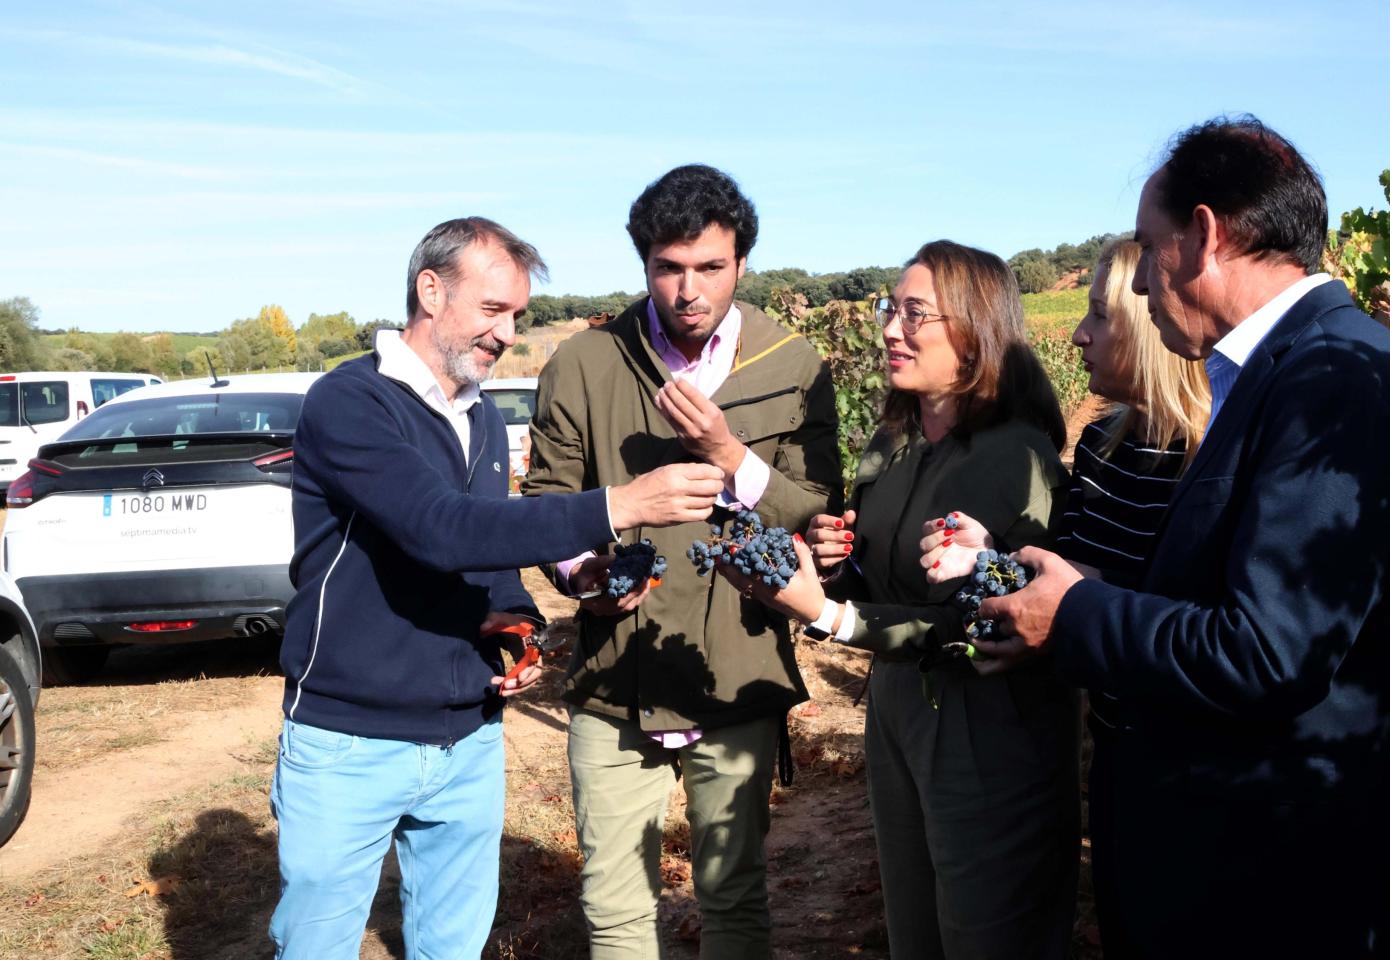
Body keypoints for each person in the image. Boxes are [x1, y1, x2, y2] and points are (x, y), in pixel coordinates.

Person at [972, 117, 1390, 956]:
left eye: (1148, 248)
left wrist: (1078, 614)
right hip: (1260, 875)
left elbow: (1268, 650)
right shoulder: (1292, 370)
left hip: (1294, 896)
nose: (1138, 288)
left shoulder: (1331, 380)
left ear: (1203, 235)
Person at [271, 217, 727, 959]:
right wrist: (622, 504)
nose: (508, 334)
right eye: (493, 312)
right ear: (429, 290)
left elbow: (486, 557)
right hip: (350, 741)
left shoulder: (479, 415)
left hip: (468, 742)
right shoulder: (352, 403)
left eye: (517, 315)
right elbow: (440, 529)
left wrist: (514, 621)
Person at [726, 240, 1079, 960]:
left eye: (916, 314)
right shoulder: (894, 444)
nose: (890, 328)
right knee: (914, 927)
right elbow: (881, 580)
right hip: (897, 706)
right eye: (892, 308)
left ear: (976, 331)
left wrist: (827, 614)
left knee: (988, 932)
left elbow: (978, 620)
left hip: (986, 720)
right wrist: (830, 566)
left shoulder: (1016, 457)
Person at [524, 164, 841, 959]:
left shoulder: (793, 365)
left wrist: (729, 454)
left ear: (742, 263)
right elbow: (544, 502)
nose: (689, 289)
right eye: (668, 268)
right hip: (613, 680)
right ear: (645, 266)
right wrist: (579, 579)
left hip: (737, 674)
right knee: (614, 903)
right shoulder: (586, 363)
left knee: (733, 896)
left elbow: (820, 512)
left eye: (710, 267)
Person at [917, 236, 1207, 956]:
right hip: (1112, 749)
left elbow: (1194, 615)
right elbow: (1065, 582)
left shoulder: (1208, 459)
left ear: (1146, 322)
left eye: (1098, 316)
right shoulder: (1107, 445)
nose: (1078, 334)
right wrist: (992, 558)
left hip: (1195, 773)